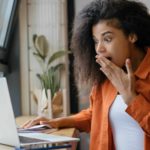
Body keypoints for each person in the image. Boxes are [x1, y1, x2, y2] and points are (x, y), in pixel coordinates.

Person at [22, 0, 150, 149]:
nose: (99, 49)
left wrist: (130, 98)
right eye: (96, 41)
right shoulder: (106, 76)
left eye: (107, 39)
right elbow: (95, 115)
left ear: (132, 36)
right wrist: (57, 122)